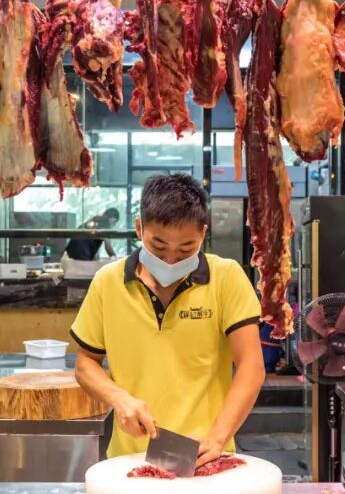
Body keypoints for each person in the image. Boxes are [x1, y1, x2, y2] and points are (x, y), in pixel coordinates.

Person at [72, 174, 265, 467]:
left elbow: (251, 366)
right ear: (139, 228)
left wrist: (217, 437)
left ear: (203, 234)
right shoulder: (107, 282)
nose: (171, 260)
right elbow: (85, 363)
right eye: (158, 247)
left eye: (186, 249)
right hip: (129, 459)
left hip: (206, 457)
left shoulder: (226, 277)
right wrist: (119, 399)